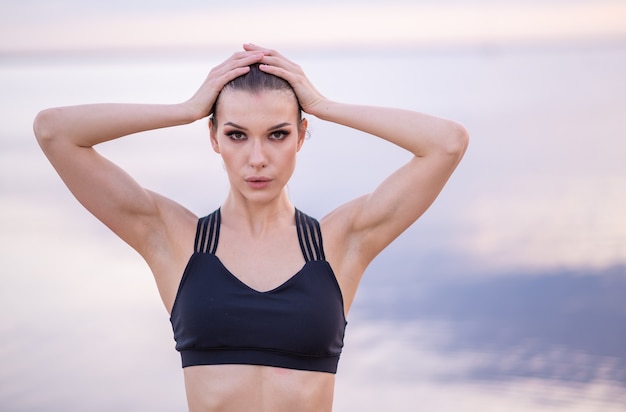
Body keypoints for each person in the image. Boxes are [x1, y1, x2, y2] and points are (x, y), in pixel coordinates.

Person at [33, 44, 468, 412]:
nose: (257, 158)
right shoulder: (173, 239)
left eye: (277, 135)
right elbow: (54, 131)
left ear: (301, 136)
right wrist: (183, 109)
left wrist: (323, 105)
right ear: (213, 138)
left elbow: (446, 143)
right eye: (237, 135)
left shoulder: (340, 243)